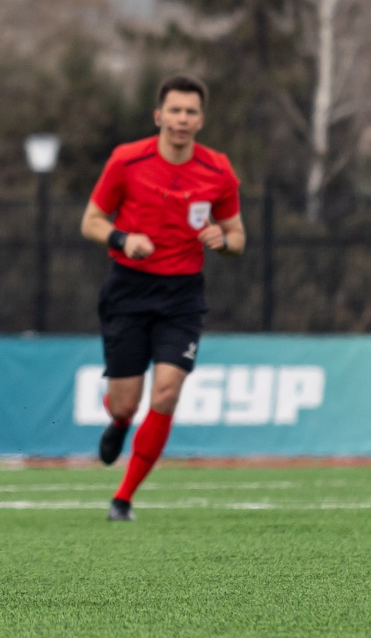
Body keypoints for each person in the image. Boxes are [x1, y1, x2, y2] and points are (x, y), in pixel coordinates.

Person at [79, 73, 245, 521]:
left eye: (191, 112)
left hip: (182, 296)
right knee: (126, 402)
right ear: (158, 116)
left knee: (167, 394)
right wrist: (122, 238)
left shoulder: (218, 170)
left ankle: (123, 499)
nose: (182, 119)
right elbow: (91, 220)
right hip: (129, 289)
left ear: (201, 120)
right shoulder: (126, 160)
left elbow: (237, 236)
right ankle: (118, 420)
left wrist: (223, 240)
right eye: (174, 110)